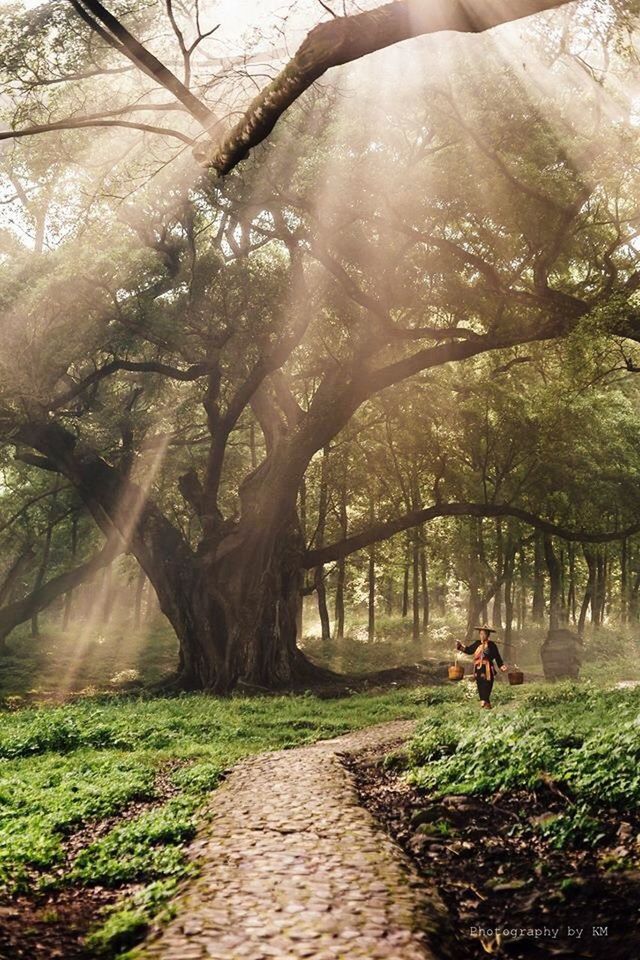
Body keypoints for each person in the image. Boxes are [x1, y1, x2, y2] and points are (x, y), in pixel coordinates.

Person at [456, 625, 508, 709]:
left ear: (488, 635)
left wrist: (501, 665)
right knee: (480, 684)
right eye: (481, 634)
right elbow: (469, 650)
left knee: (487, 684)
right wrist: (460, 646)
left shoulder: (492, 645)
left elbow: (497, 657)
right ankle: (485, 702)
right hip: (478, 668)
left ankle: (485, 701)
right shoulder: (477, 643)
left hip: (487, 668)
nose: (482, 635)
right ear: (479, 634)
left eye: (484, 634)